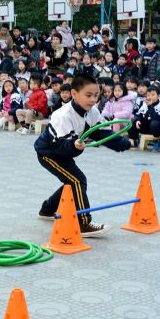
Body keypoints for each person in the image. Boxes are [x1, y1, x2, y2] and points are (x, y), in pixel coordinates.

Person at [33, 74, 126, 236]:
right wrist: (74, 146)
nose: (92, 100)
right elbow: (60, 145)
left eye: (96, 96)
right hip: (49, 152)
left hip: (65, 150)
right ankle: (83, 223)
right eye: (88, 95)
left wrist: (120, 143)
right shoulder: (62, 115)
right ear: (74, 94)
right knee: (77, 180)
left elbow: (99, 133)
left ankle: (47, 210)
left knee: (72, 181)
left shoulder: (93, 111)